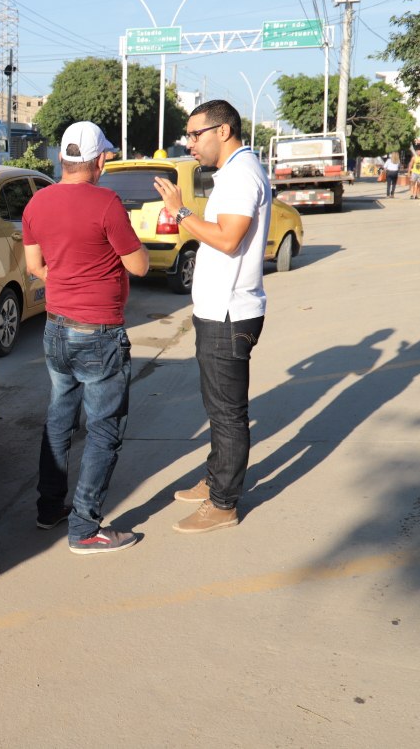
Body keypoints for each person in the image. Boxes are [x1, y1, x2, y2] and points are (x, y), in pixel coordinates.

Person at [22, 121, 150, 555]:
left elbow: (34, 265)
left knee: (60, 419)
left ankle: (49, 508)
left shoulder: (37, 202)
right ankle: (84, 528)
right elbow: (139, 267)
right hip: (99, 332)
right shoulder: (106, 202)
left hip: (56, 327)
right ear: (98, 161)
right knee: (103, 430)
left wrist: (67, 279)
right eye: (105, 158)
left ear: (62, 158)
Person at [152, 99, 270, 534]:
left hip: (229, 314)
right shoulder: (234, 172)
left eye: (195, 134)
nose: (190, 143)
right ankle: (215, 481)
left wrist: (182, 212)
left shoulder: (241, 175)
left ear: (223, 130)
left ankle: (223, 504)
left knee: (227, 414)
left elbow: (227, 239)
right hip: (218, 311)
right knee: (218, 408)